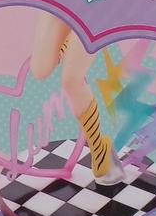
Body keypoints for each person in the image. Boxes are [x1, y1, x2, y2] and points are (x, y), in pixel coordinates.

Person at [31, 13, 124, 184]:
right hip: (62, 2)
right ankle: (70, 40)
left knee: (71, 81)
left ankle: (100, 149)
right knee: (40, 70)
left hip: (97, 10)